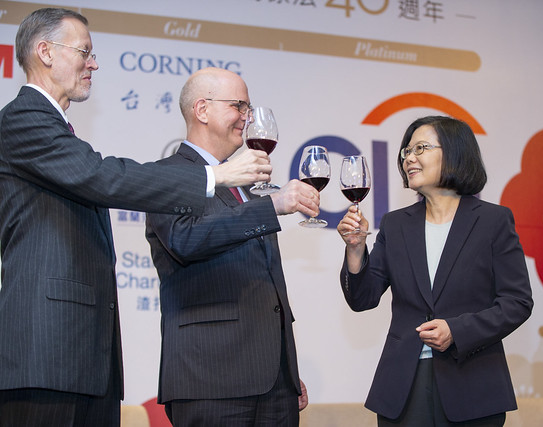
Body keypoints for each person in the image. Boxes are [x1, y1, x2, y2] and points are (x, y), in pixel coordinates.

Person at [0, 8, 272, 427]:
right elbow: (101, 176)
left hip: (84, 357)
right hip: (44, 354)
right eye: (84, 51)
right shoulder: (24, 118)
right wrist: (213, 176)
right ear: (45, 52)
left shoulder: (55, 128)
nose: (94, 63)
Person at [145, 66, 318, 426]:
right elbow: (185, 240)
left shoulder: (249, 187)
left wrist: (286, 367)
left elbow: (267, 288)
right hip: (209, 380)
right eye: (239, 106)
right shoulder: (167, 175)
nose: (247, 117)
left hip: (274, 385)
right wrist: (270, 207)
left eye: (249, 108)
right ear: (202, 110)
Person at [337, 116, 533, 426]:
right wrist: (355, 248)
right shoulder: (395, 224)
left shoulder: (493, 221)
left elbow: (517, 302)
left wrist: (458, 330)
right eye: (406, 151)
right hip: (402, 387)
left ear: (454, 152)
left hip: (473, 385)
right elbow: (363, 299)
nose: (409, 158)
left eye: (421, 148)